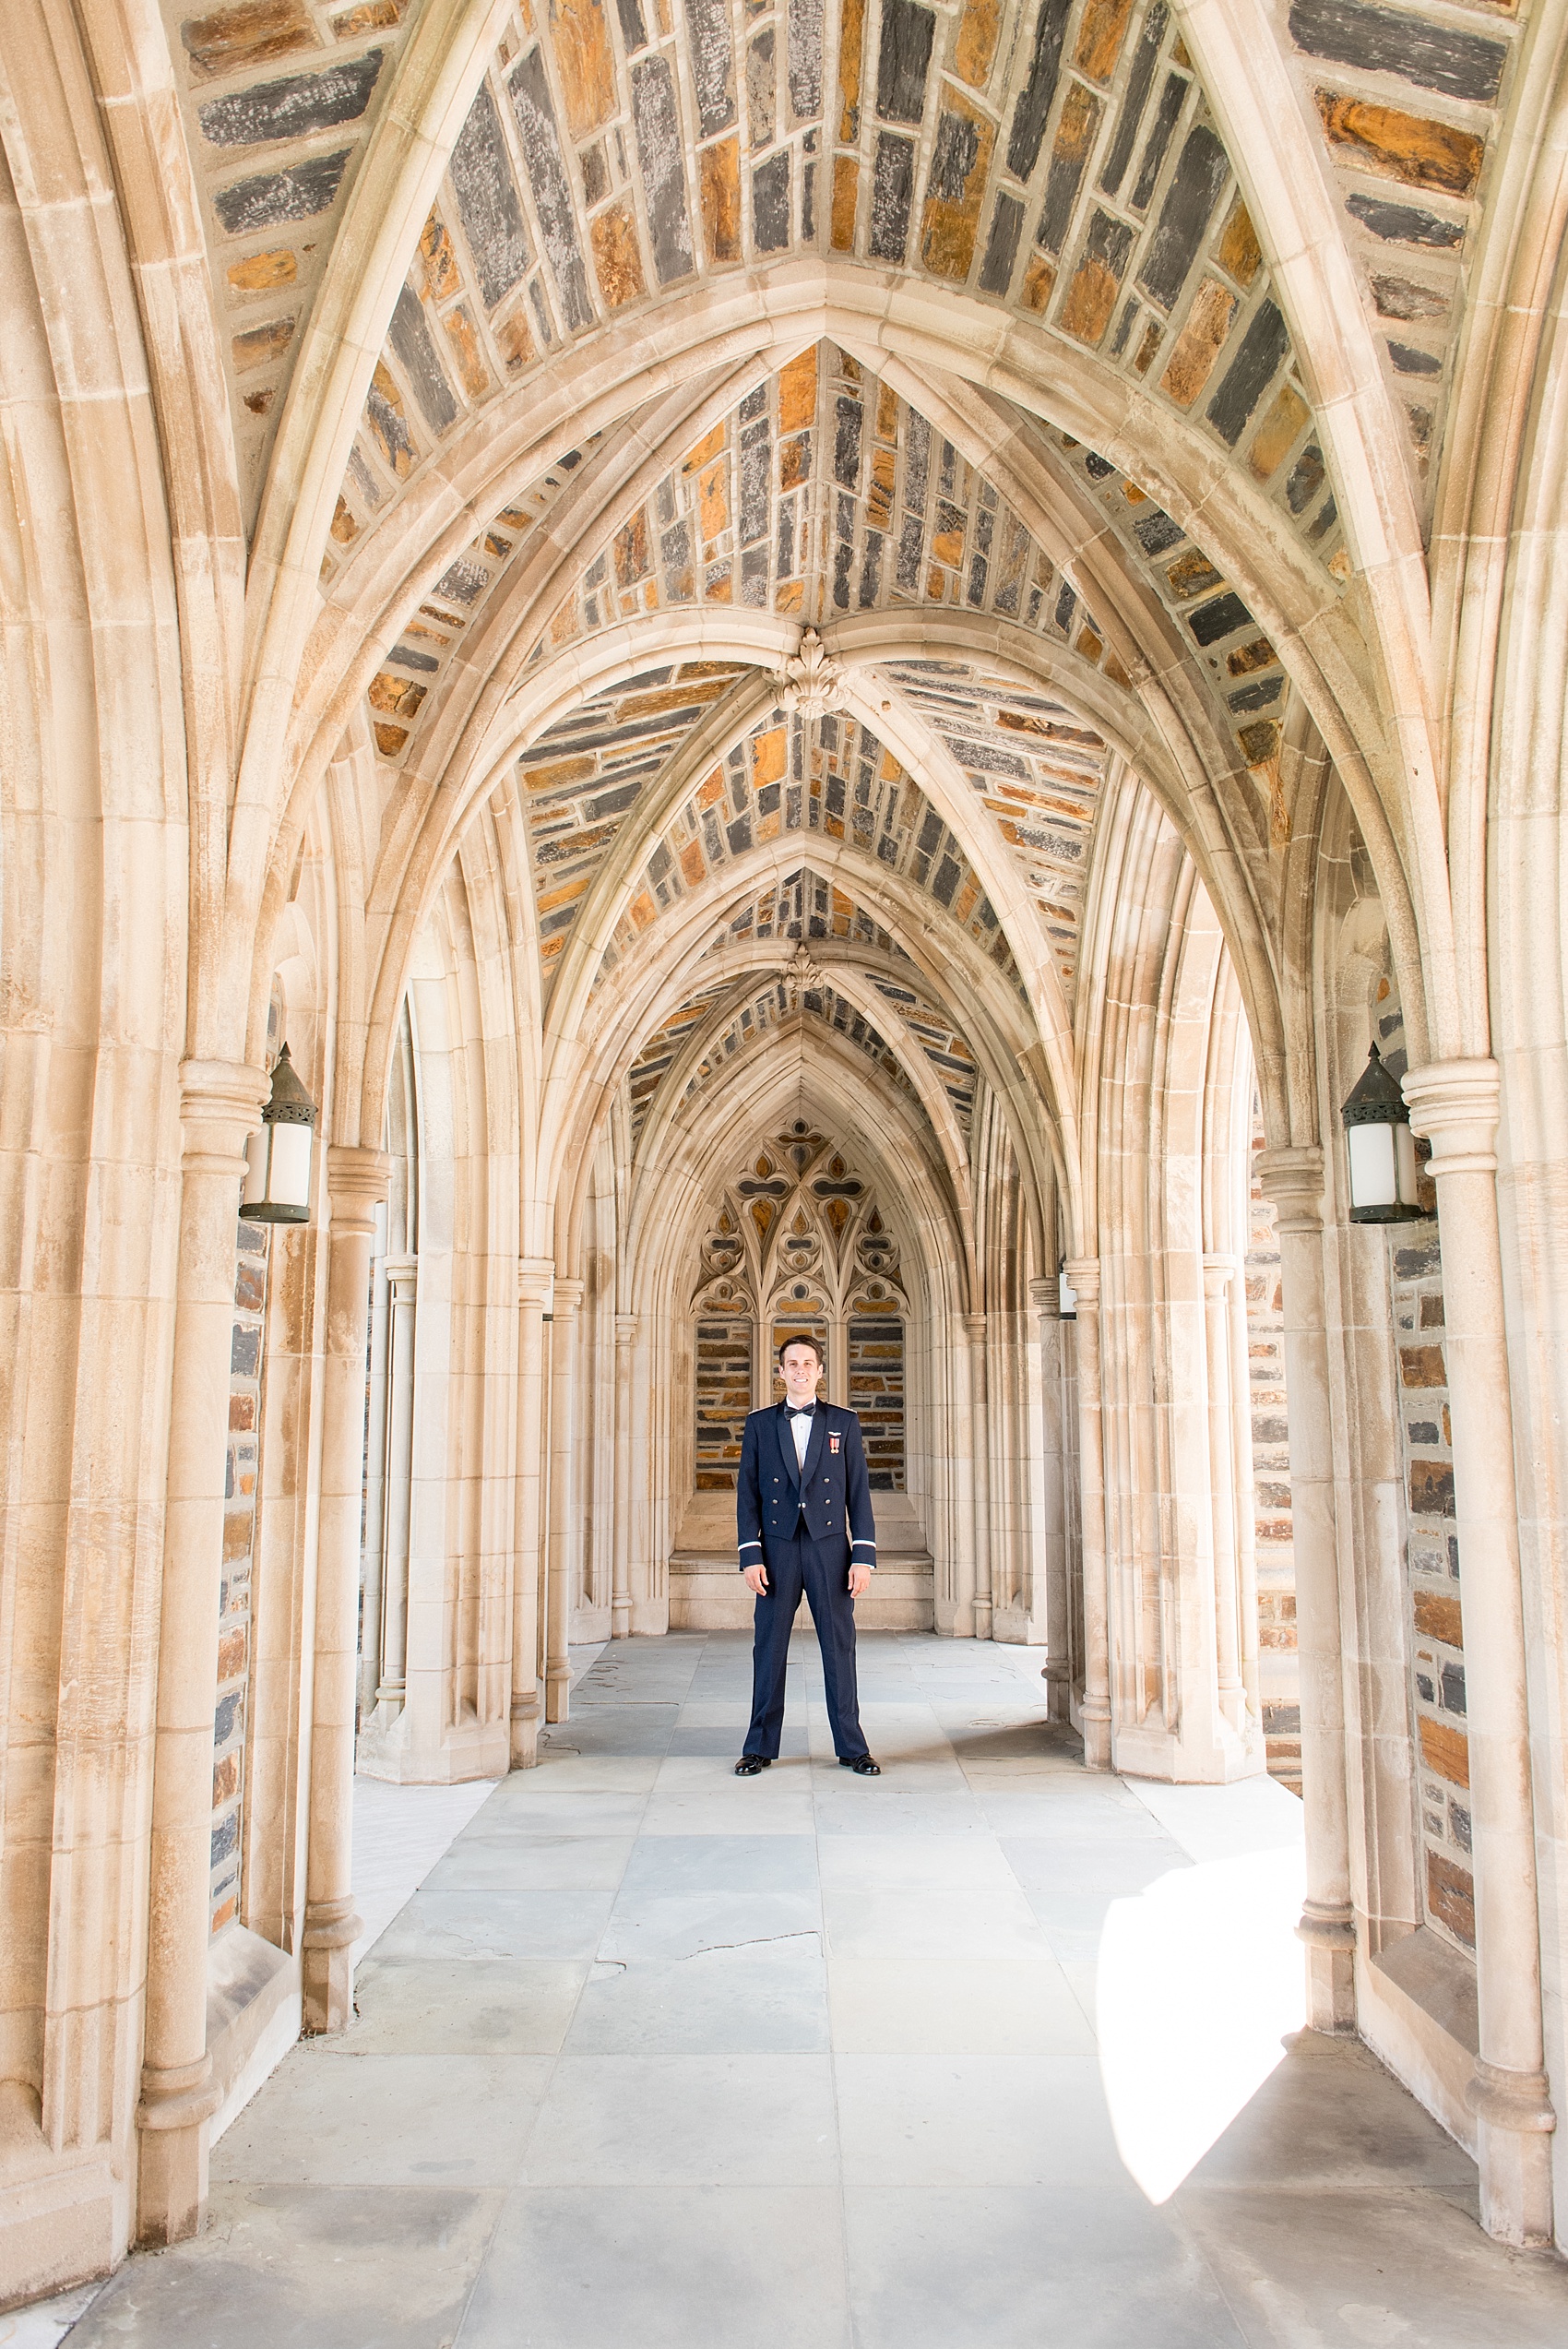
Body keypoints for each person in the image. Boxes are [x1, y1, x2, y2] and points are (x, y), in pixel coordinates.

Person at [733, 1334, 881, 1776]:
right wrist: (750, 1554)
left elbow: (858, 1492)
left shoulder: (845, 1422)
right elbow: (748, 1494)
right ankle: (759, 1746)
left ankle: (853, 1748)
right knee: (769, 1648)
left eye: (807, 1363)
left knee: (839, 1647)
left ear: (820, 1371)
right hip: (776, 1549)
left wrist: (863, 1556)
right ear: (779, 1373)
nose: (799, 1370)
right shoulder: (759, 1424)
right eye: (791, 1363)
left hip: (830, 1548)